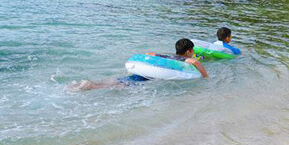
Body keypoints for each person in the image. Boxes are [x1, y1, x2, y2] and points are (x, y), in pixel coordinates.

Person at [68, 38, 206, 91]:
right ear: (189, 51)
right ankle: (90, 86)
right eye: (192, 51)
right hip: (149, 77)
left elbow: (150, 54)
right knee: (121, 85)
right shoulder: (184, 60)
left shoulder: (168, 56)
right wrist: (206, 76)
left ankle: (85, 84)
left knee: (120, 80)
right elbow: (194, 61)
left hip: (142, 70)